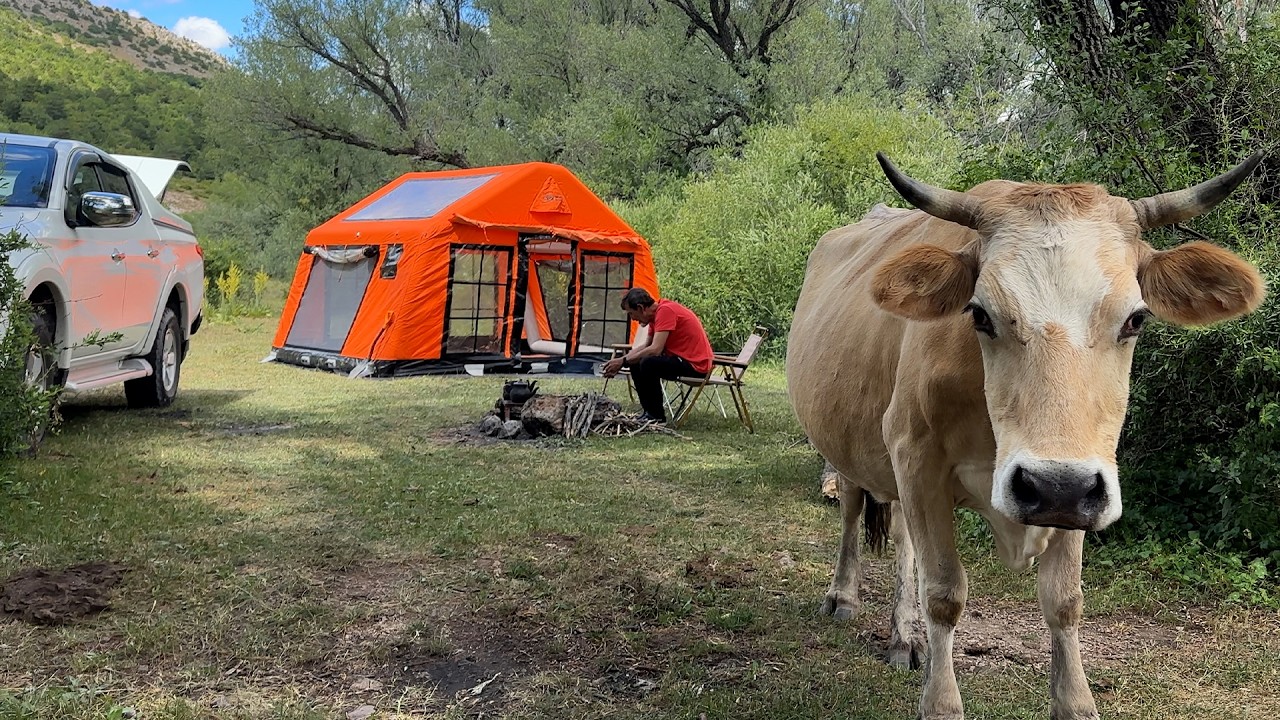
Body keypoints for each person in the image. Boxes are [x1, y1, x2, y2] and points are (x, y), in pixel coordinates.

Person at [602, 288, 714, 424]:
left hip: (695, 366)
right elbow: (646, 346)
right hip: (680, 360)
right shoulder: (654, 317)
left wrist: (623, 361)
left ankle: (657, 416)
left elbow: (655, 349)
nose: (632, 319)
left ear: (640, 308)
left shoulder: (666, 311)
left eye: (631, 313)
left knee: (648, 362)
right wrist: (622, 360)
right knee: (636, 361)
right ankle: (648, 413)